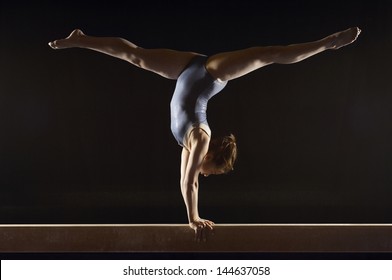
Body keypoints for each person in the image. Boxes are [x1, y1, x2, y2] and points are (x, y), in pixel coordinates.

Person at [49, 27, 361, 241]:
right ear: (210, 156)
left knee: (137, 56)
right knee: (267, 54)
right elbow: (192, 181)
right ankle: (327, 43)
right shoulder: (199, 138)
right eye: (214, 170)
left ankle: (82, 39)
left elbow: (185, 179)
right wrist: (193, 218)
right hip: (212, 73)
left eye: (212, 174)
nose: (208, 175)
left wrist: (191, 214)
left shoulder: (188, 145)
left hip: (186, 69)